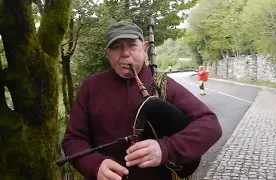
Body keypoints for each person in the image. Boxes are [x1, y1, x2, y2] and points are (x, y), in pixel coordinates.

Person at [61, 21, 222, 180]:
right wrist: (94, 165)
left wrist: (166, 149)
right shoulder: (91, 87)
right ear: (107, 53)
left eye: (132, 45)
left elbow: (210, 124)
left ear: (144, 49)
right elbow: (73, 139)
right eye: (116, 47)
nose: (125, 53)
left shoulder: (162, 85)